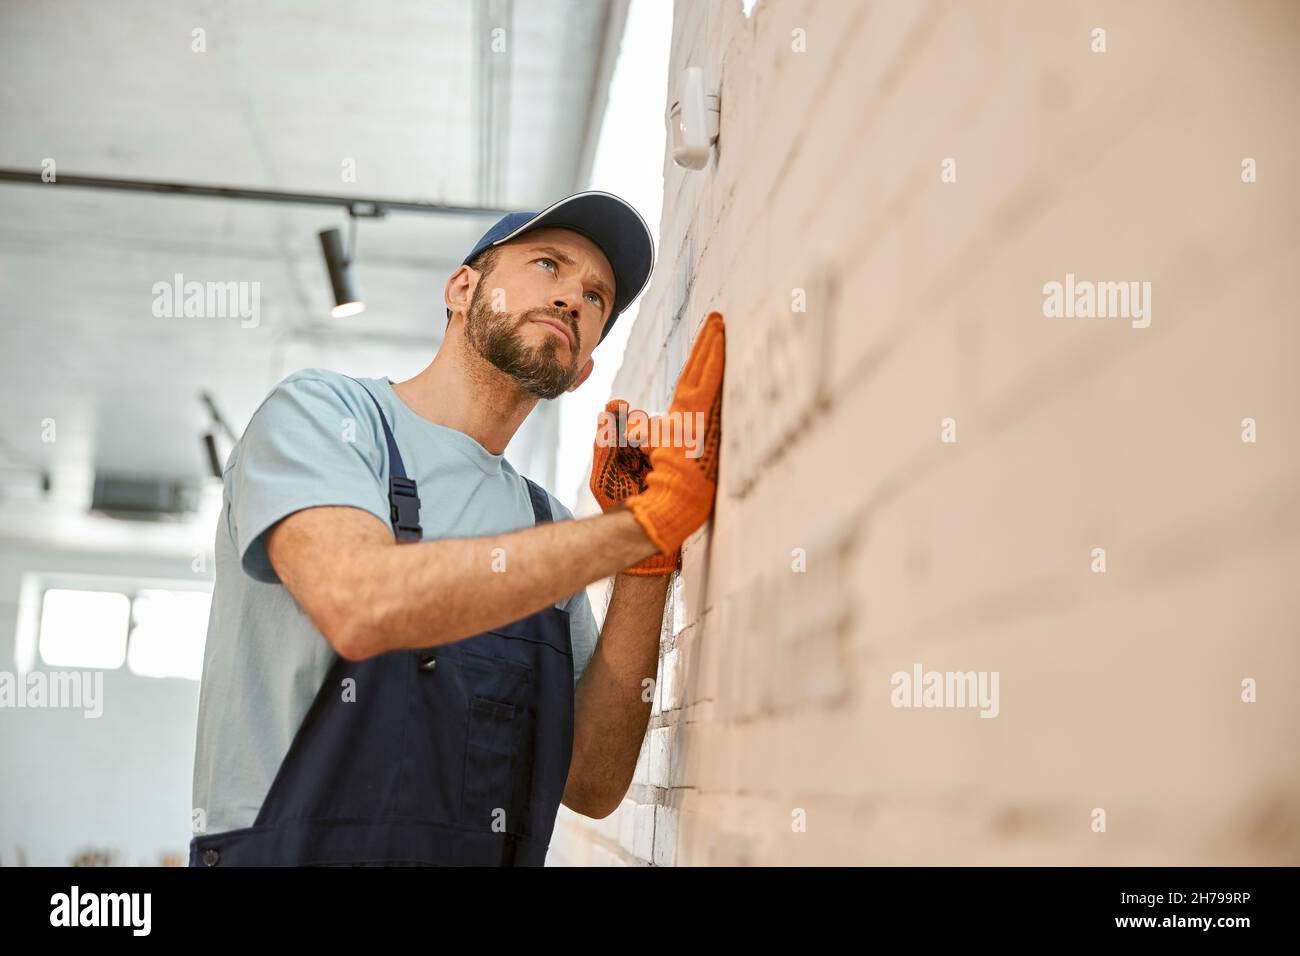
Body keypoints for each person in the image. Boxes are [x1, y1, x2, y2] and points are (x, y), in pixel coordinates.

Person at [188, 190, 725, 866]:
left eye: (596, 298)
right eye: (547, 265)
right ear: (464, 288)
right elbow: (360, 603)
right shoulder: (327, 418)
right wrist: (634, 528)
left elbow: (590, 780)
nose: (571, 299)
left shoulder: (543, 526)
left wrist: (646, 558)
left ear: (585, 368)